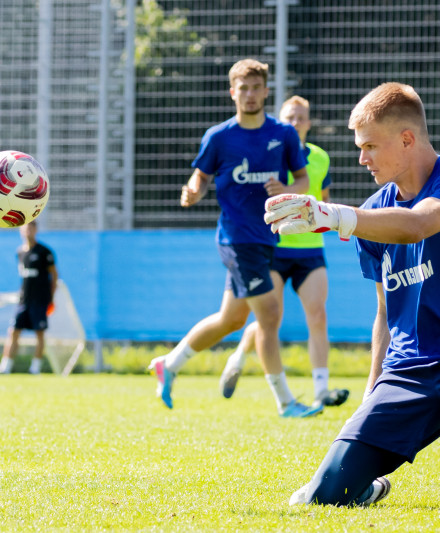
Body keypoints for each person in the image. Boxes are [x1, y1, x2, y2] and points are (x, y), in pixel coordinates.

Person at [265, 82, 440, 514]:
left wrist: (333, 215)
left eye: (369, 146)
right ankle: (368, 485)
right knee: (325, 497)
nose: (362, 158)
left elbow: (417, 225)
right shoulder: (371, 215)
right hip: (409, 376)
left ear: (406, 139)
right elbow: (383, 315)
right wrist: (370, 397)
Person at [148, 58, 318, 417]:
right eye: (244, 88)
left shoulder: (283, 135)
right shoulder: (219, 137)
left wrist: (287, 187)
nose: (250, 94)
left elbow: (302, 181)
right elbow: (201, 176)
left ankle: (170, 365)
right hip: (236, 238)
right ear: (232, 93)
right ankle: (286, 402)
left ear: (266, 91)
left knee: (232, 319)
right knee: (269, 315)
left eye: (257, 88)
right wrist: (192, 191)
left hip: (267, 237)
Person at [219, 95, 349, 409]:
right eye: (289, 117)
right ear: (280, 120)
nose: (295, 122)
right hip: (273, 248)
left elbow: (323, 198)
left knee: (317, 315)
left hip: (310, 251)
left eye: (301, 117)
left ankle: (321, 391)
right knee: (268, 320)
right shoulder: (267, 156)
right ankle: (238, 357)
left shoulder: (320, 158)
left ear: (309, 122)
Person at [0, 220, 58, 375]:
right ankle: (5, 367)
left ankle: (35, 368)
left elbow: (54, 276)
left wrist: (50, 298)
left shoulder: (44, 252)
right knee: (13, 332)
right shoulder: (20, 252)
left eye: (31, 228)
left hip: (40, 300)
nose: (28, 231)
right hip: (23, 301)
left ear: (35, 229)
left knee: (40, 333)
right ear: (20, 231)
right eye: (25, 228)